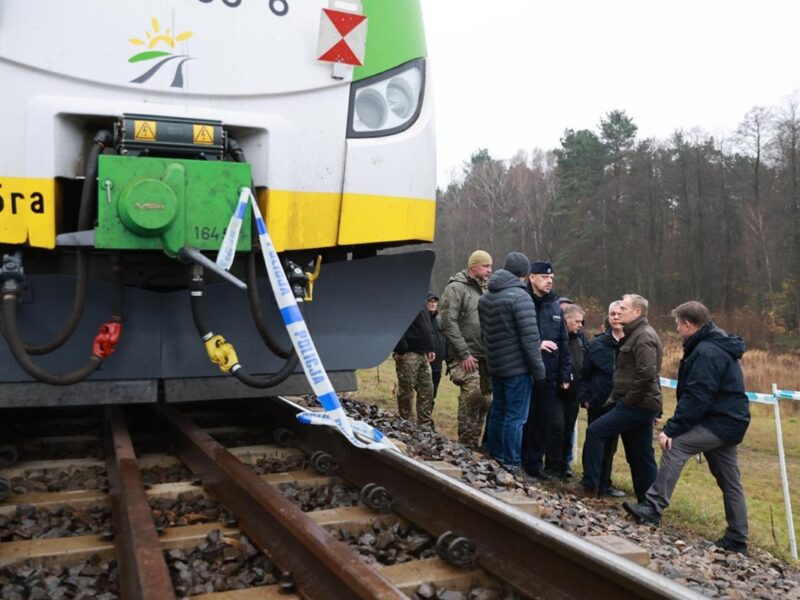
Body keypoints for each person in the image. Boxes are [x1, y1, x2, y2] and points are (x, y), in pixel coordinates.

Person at [623, 301, 750, 554]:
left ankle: (653, 507)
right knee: (730, 480)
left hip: (719, 421)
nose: (678, 330)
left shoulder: (706, 352)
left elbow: (698, 396)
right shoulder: (713, 344)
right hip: (729, 420)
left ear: (688, 324)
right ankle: (737, 538)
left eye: (678, 325)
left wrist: (672, 428)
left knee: (675, 445)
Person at [579, 294, 662, 501]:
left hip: (637, 404)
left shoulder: (643, 336)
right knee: (640, 453)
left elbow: (647, 374)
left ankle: (590, 487)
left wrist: (627, 400)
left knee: (596, 431)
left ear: (637, 312)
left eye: (623, 308)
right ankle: (648, 503)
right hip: (639, 402)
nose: (618, 313)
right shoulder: (634, 333)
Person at [478, 252, 546, 475]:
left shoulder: (486, 297)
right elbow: (529, 339)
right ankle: (511, 462)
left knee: (498, 410)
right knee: (516, 417)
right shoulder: (520, 297)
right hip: (517, 367)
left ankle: (494, 453)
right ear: (524, 275)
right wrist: (539, 371)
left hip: (496, 365)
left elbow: (485, 334)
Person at [521, 261, 571, 479]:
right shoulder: (523, 301)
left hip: (548, 375)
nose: (549, 281)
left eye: (551, 278)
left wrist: (564, 373)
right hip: (524, 371)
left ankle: (534, 464)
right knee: (522, 418)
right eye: (544, 277)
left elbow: (563, 342)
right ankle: (516, 460)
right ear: (532, 277)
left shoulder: (554, 306)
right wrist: (536, 345)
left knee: (542, 420)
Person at [440, 250, 493, 448]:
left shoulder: (488, 290)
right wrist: (463, 353)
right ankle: (466, 445)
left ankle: (474, 443)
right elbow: (448, 322)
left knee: (486, 401)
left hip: (485, 357)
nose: (489, 270)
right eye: (485, 266)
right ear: (473, 267)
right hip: (465, 356)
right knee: (472, 396)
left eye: (490, 266)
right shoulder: (455, 288)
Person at [579, 301, 627, 498]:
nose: (615, 317)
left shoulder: (634, 343)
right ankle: (590, 482)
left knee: (611, 446)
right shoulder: (596, 344)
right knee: (595, 441)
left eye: (619, 314)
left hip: (623, 403)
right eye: (612, 314)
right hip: (598, 401)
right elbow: (585, 374)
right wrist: (585, 397)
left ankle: (605, 484)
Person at [545, 303, 587, 479]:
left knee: (568, 430)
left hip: (574, 394)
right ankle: (552, 467)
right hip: (556, 392)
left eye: (581, 322)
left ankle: (564, 466)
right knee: (557, 429)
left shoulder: (580, 338)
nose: (579, 325)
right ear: (566, 319)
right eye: (576, 321)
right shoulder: (555, 338)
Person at [393, 297, 436, 428]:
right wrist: (401, 349)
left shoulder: (421, 296)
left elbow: (427, 324)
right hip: (408, 352)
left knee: (427, 389)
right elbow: (394, 322)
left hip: (423, 353)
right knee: (406, 390)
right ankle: (407, 423)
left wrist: (430, 346)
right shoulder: (402, 296)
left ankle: (424, 425)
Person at [427, 291, 447, 398]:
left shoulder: (440, 322)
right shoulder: (421, 320)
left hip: (437, 364)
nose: (432, 304)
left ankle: (428, 413)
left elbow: (445, 341)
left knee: (433, 392)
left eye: (435, 302)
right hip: (423, 362)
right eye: (430, 301)